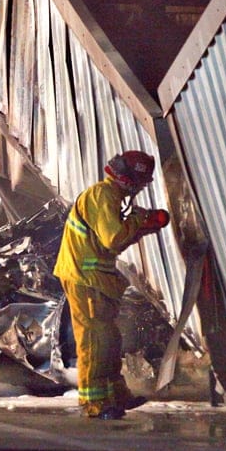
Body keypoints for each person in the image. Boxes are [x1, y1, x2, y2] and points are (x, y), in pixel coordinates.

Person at [53, 150, 170, 420]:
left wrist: (145, 224)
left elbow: (116, 237)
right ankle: (93, 403)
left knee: (109, 340)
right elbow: (113, 238)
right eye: (141, 182)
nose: (141, 188)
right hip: (85, 279)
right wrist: (140, 220)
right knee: (94, 341)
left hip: (97, 281)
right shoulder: (103, 196)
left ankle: (116, 395)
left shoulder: (112, 198)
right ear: (130, 180)